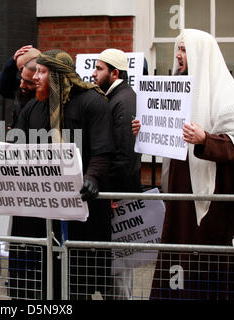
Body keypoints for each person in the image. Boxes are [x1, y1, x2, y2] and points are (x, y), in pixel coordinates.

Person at [0, 49, 115, 300]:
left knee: (75, 285)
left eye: (43, 72)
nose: (35, 77)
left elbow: (102, 150)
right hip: (39, 216)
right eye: (36, 71)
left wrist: (92, 177)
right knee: (38, 284)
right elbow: (13, 151)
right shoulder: (32, 108)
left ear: (59, 75)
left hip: (76, 214)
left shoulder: (92, 102)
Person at [133, 29, 234, 300]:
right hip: (180, 196)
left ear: (201, 54)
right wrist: (145, 128)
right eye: (178, 49)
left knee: (206, 263)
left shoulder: (225, 97)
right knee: (179, 256)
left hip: (214, 203)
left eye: (185, 49)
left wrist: (205, 139)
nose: (178, 55)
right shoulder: (178, 90)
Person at [92, 48, 142, 300]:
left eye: (99, 69)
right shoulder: (115, 97)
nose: (93, 73)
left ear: (114, 72)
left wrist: (115, 193)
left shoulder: (122, 99)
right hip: (113, 194)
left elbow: (124, 153)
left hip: (117, 196)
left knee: (119, 271)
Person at [0, 45, 41, 128]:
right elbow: (3, 89)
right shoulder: (23, 86)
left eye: (23, 69)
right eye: (20, 70)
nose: (22, 85)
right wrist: (12, 62)